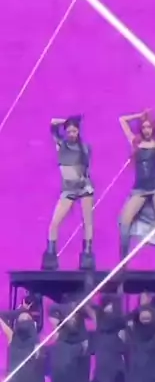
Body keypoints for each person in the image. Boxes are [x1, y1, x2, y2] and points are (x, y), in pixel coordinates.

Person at [118, 111, 155, 269]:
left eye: (149, 127)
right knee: (124, 221)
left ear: (153, 128)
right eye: (144, 127)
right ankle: (123, 261)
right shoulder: (135, 142)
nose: (146, 130)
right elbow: (122, 119)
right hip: (140, 188)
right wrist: (140, 115)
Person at [41, 116, 94, 271]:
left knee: (87, 223)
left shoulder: (85, 147)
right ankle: (51, 256)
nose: (71, 134)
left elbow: (86, 168)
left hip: (84, 188)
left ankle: (87, 255)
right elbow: (52, 124)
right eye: (69, 131)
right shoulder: (60, 144)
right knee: (54, 223)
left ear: (78, 132)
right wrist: (67, 121)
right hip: (68, 190)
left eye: (74, 131)